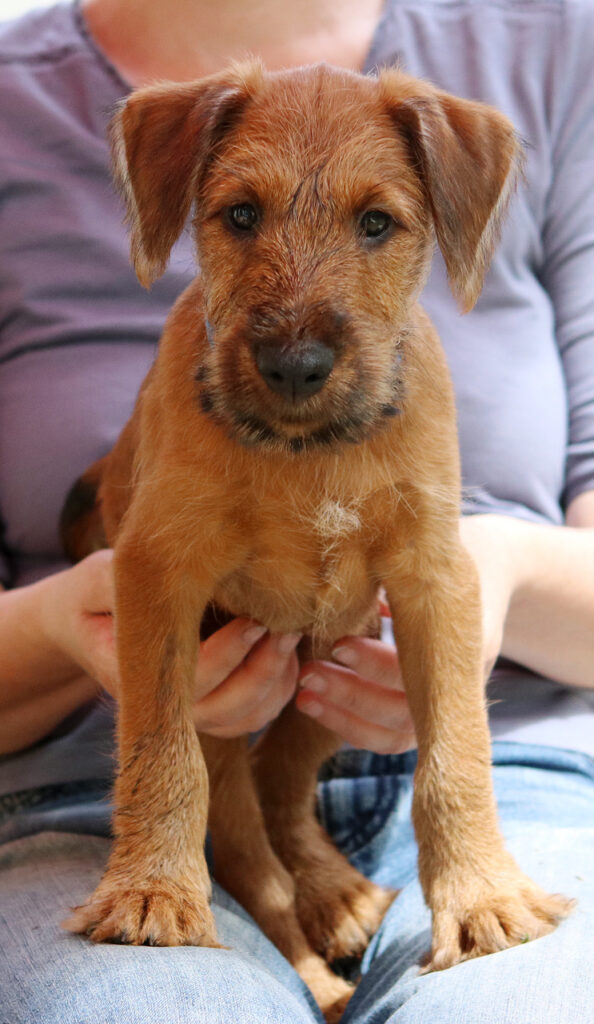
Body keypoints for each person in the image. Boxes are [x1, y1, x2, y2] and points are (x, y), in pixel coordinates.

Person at [0, 0, 593, 1021]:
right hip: (80, 792)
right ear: (171, 199)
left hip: (531, 762)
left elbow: (457, 566)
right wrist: (65, 630)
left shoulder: (553, 48)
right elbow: (142, 558)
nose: (297, 341)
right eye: (240, 217)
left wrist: (494, 572)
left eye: (377, 226)